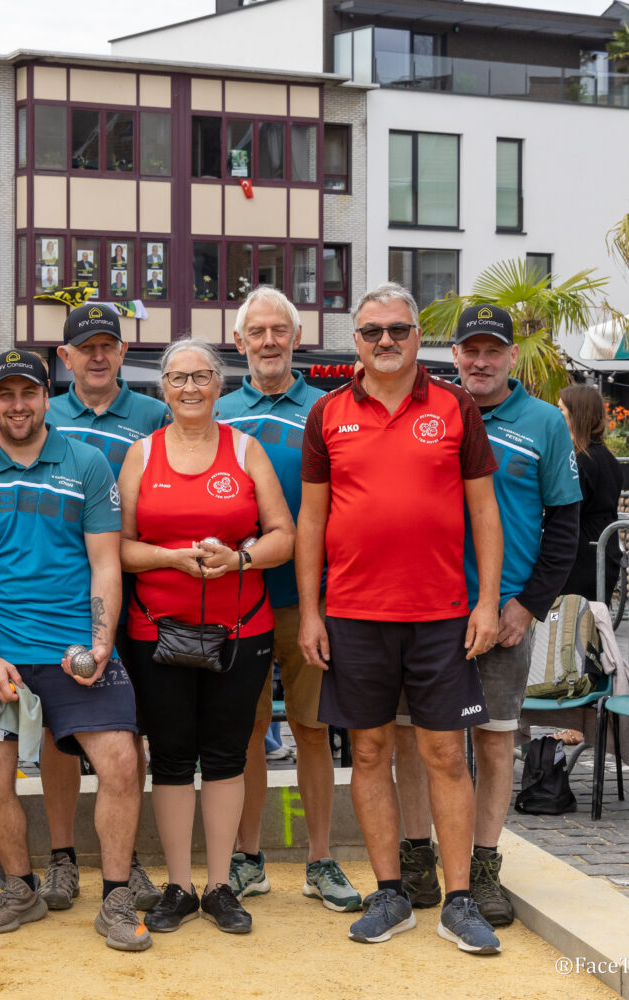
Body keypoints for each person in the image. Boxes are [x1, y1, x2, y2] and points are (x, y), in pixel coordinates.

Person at [297, 282, 504, 955]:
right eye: (371, 332)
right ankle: (390, 892)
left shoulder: (454, 408)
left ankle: (459, 899)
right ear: (355, 341)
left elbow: (483, 513)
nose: (385, 341)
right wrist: (310, 612)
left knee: (444, 753)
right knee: (368, 751)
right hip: (354, 614)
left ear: (419, 336)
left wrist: (487, 602)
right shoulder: (327, 414)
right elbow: (310, 520)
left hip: (441, 614)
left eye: (397, 330)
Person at [0, 350, 151, 951]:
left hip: (73, 648)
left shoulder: (86, 465)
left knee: (117, 760)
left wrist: (101, 646)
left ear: (45, 396)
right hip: (0, 653)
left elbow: (105, 563)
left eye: (27, 393)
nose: (16, 405)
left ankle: (114, 897)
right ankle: (20, 887)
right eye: (4, 394)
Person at [393, 304, 580, 930]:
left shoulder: (544, 423)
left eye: (492, 351)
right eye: (469, 350)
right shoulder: (430, 411)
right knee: (414, 741)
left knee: (495, 741)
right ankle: (417, 856)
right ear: (453, 355)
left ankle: (484, 865)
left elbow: (566, 524)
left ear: (512, 357)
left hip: (504, 615)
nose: (479, 361)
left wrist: (527, 604)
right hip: (427, 608)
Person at [118, 339, 294, 935]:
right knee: (169, 754)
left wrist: (238, 559)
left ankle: (220, 884)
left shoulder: (247, 450)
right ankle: (178, 885)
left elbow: (281, 536)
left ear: (219, 385)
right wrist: (172, 559)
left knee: (224, 753)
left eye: (201, 377)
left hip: (241, 630)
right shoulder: (141, 454)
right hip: (155, 630)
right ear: (161, 388)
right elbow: (120, 547)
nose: (189, 388)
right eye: (177, 378)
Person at [217, 286, 359, 912]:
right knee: (244, 732)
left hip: (312, 603)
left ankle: (320, 859)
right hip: (237, 599)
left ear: (296, 339)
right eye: (258, 331)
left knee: (311, 728)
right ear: (239, 339)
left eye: (280, 330)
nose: (269, 341)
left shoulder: (329, 410)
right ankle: (246, 858)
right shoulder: (217, 413)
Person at [43, 304, 168, 911]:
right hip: (61, 600)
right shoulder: (41, 414)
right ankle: (62, 857)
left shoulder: (154, 415)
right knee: (58, 731)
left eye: (108, 346)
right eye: (84, 347)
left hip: (140, 596)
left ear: (123, 353)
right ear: (64, 358)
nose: (97, 356)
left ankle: (130, 859)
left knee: (128, 730)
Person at [558, 384, 623, 601]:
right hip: (601, 551)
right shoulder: (605, 457)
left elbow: (568, 511)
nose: (556, 415)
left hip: (581, 556)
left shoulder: (582, 460)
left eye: (561, 410)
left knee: (572, 628)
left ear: (576, 415)